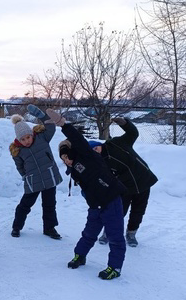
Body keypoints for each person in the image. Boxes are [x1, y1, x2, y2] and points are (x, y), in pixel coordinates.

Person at [45, 108, 127, 280]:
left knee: (115, 236)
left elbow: (77, 139)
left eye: (67, 155)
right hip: (95, 205)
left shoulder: (88, 156)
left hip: (111, 200)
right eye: (63, 158)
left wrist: (63, 124)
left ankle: (115, 267)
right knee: (89, 233)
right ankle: (80, 255)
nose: (66, 160)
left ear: (74, 151)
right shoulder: (73, 169)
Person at [88, 117, 158, 247]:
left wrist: (125, 123)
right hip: (124, 187)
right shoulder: (99, 163)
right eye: (92, 152)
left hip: (143, 180)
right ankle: (108, 232)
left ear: (99, 145)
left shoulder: (116, 143)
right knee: (118, 211)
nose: (95, 151)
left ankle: (131, 233)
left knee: (138, 210)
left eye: (95, 148)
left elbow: (133, 134)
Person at [9, 104, 63, 240]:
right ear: (18, 140)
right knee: (25, 205)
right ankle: (16, 226)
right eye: (23, 139)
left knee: (50, 204)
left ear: (32, 134)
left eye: (28, 137)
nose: (26, 141)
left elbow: (51, 125)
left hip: (49, 177)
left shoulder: (42, 138)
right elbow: (20, 167)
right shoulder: (17, 151)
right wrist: (25, 176)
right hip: (33, 181)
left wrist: (40, 115)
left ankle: (49, 228)